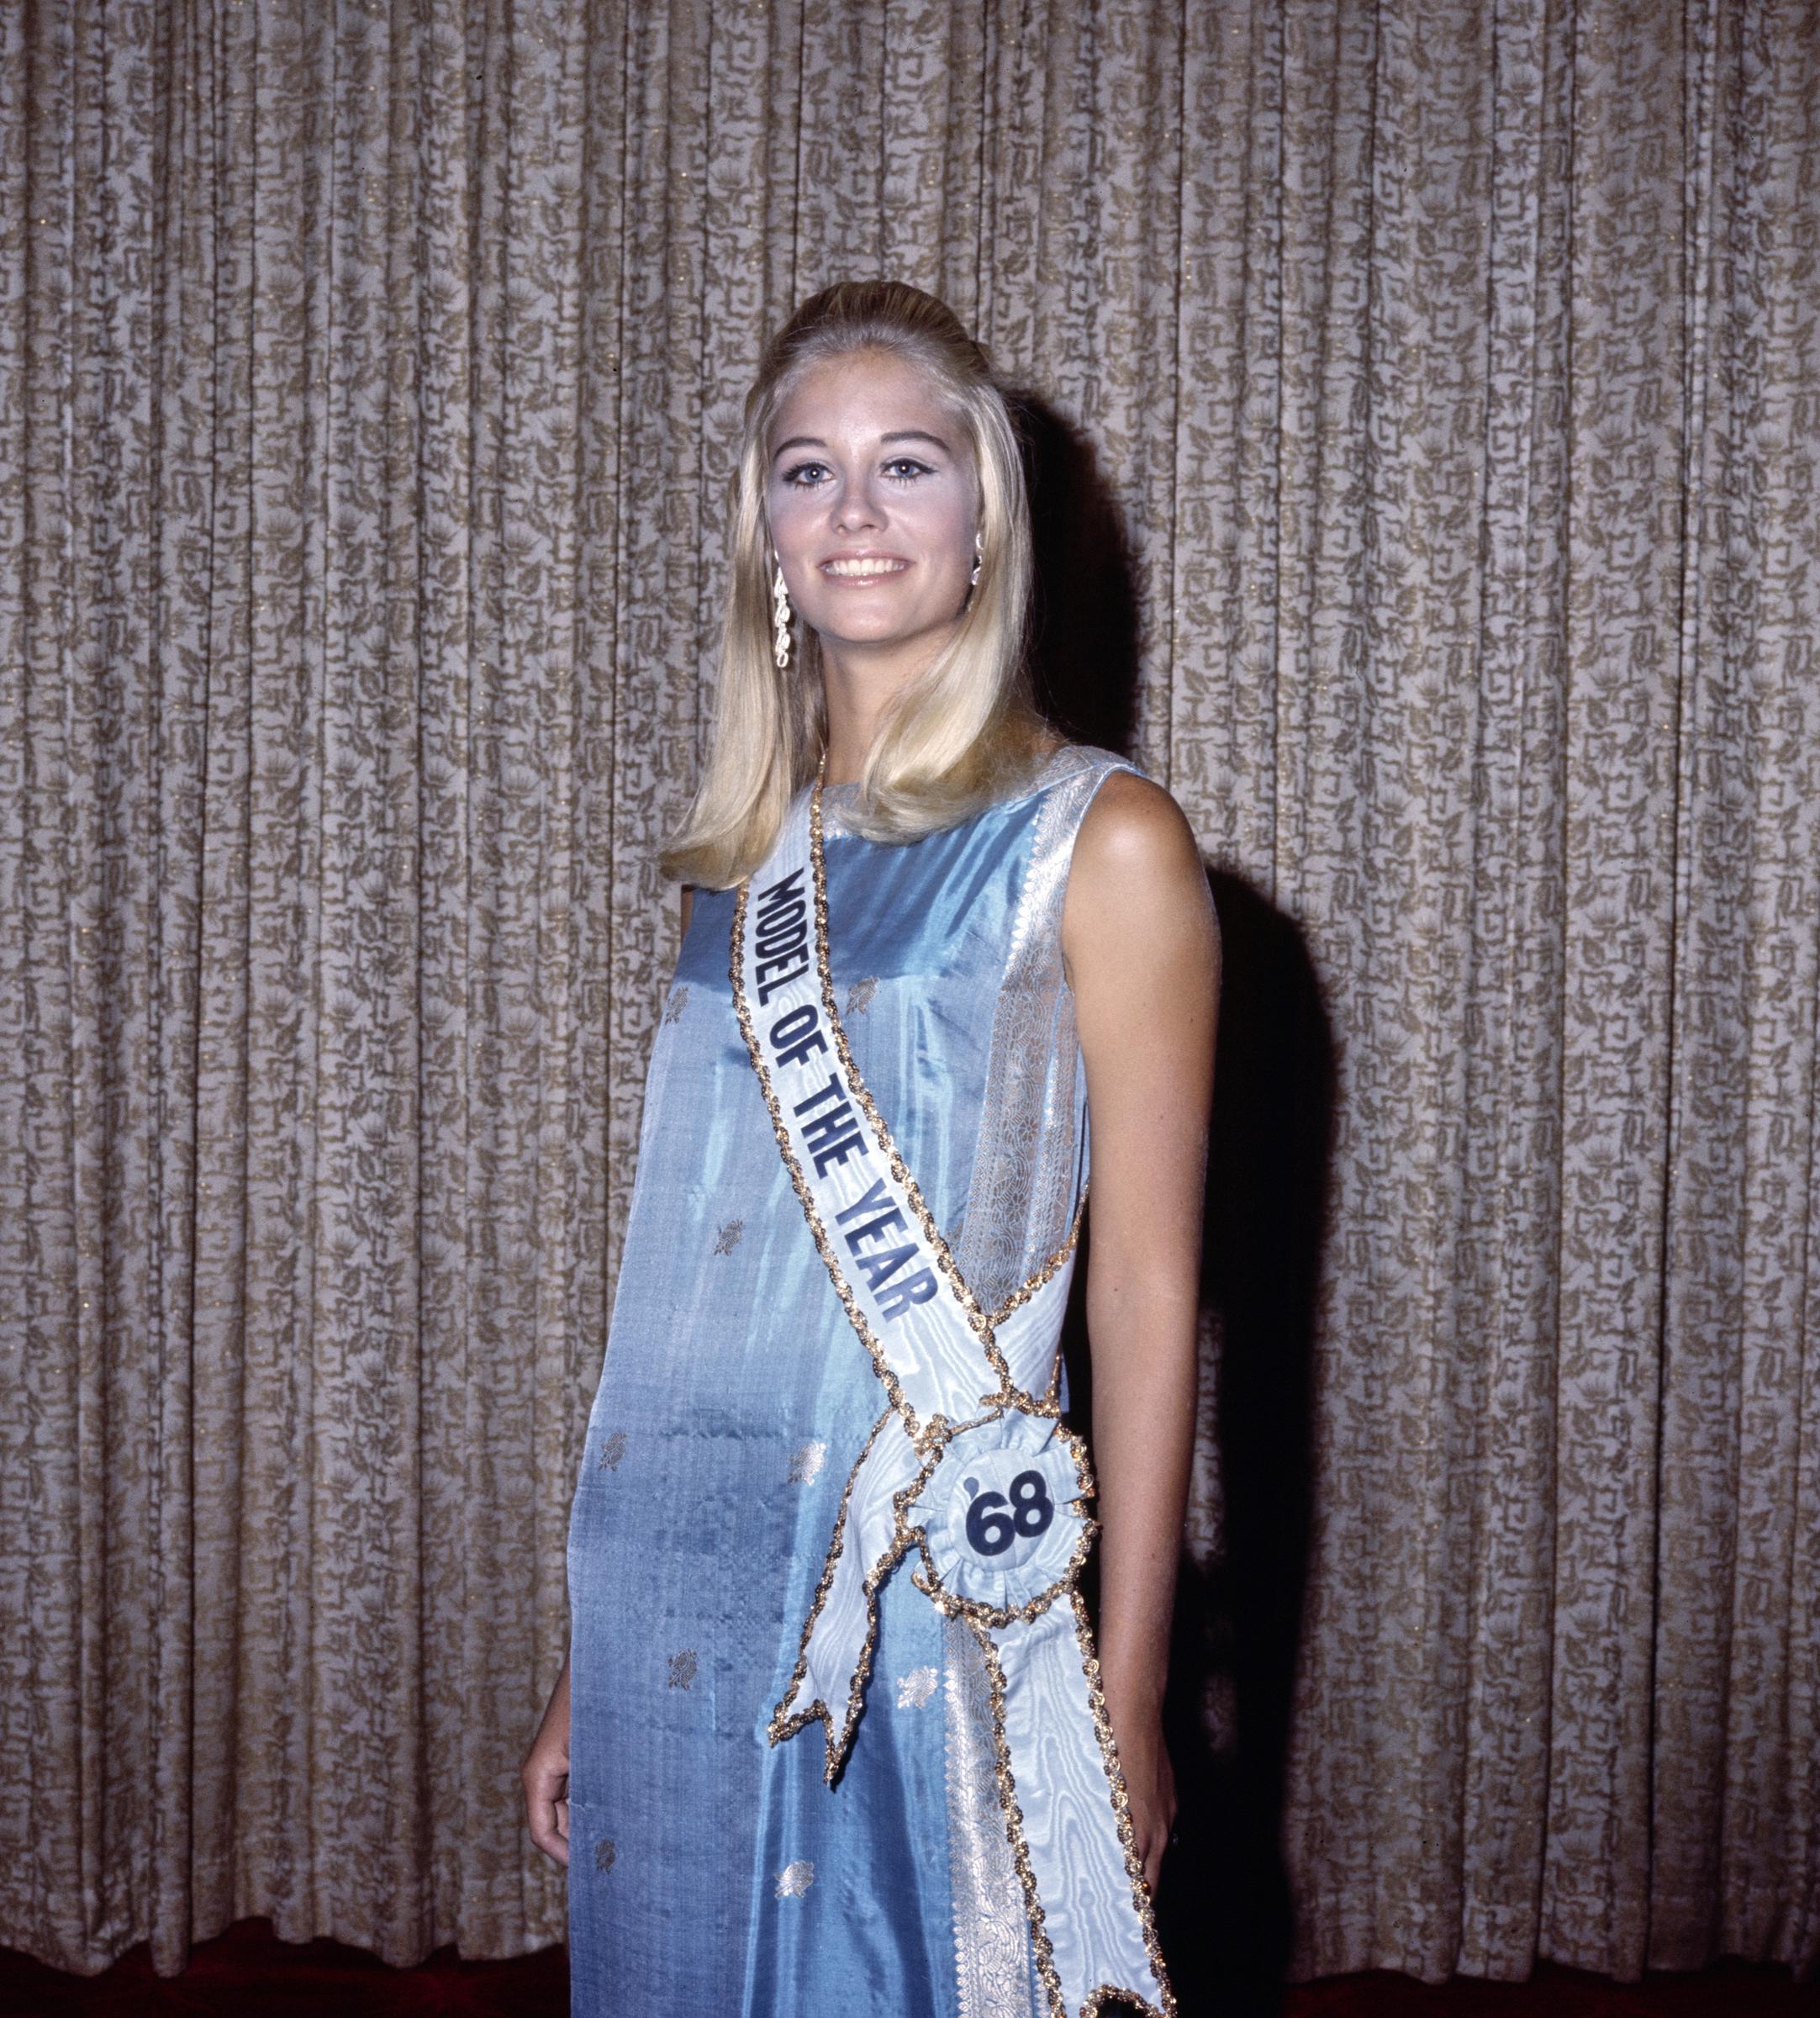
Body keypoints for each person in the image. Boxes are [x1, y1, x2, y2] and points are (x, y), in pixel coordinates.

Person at [522, 279, 1219, 2018]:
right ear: (760, 531)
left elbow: (1146, 1290)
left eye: (906, 466)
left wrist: (1128, 1694)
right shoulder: (733, 864)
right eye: (806, 471)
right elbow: (695, 1299)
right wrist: (583, 1667)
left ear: (984, 518)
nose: (853, 513)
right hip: (691, 1578)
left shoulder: (1102, 842)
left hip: (930, 1592)